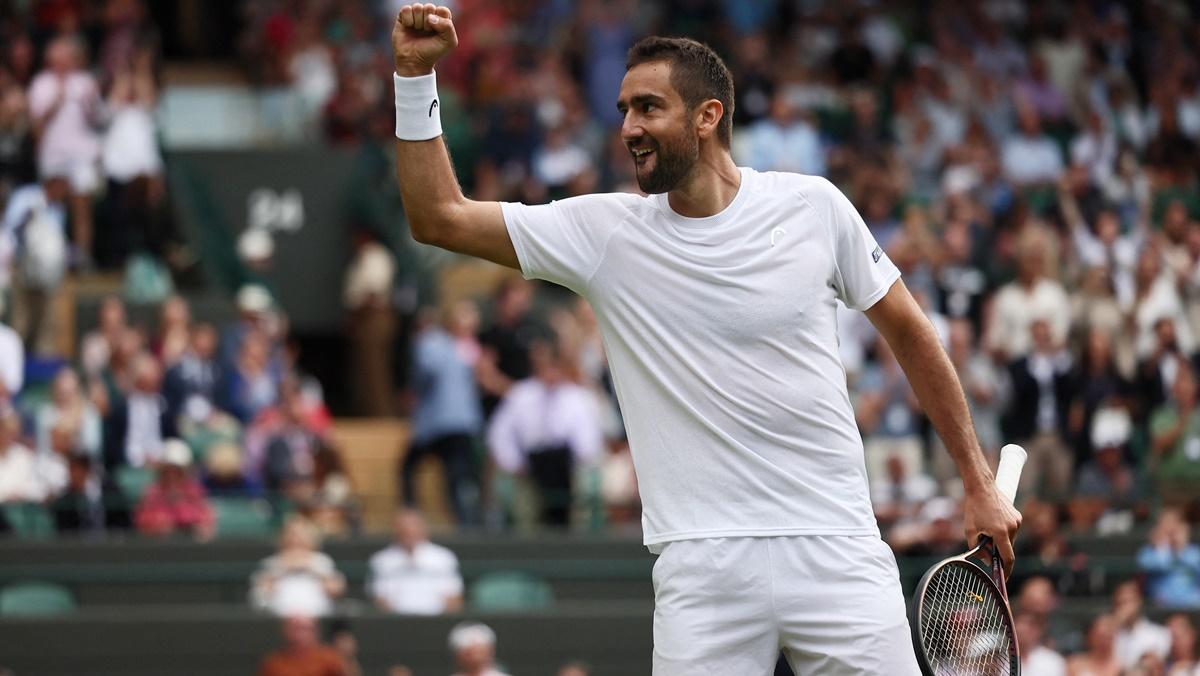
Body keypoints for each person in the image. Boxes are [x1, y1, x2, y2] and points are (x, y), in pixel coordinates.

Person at [389, 10, 1020, 673]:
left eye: (648, 107)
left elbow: (912, 336)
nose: (628, 126)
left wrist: (976, 483)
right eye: (624, 109)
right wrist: (413, 75)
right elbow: (439, 217)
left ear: (707, 115)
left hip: (838, 547)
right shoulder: (604, 234)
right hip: (703, 568)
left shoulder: (814, 207)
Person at [487, 339, 604, 527]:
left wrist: (581, 460)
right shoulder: (520, 395)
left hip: (566, 466)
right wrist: (514, 463)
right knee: (524, 502)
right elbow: (500, 434)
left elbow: (588, 439)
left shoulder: (578, 398)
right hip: (530, 466)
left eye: (554, 367)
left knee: (581, 487)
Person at [366, 508, 463, 614]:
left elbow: (454, 599)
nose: (409, 531)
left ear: (423, 528)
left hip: (436, 621)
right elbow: (380, 600)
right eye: (404, 529)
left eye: (414, 526)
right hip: (396, 624)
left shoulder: (444, 556)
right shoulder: (381, 560)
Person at [251, 516, 346, 617]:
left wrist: (312, 568)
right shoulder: (271, 562)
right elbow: (259, 596)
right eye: (291, 536)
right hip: (279, 618)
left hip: (317, 617)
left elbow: (336, 590)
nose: (295, 540)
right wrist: (282, 569)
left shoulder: (322, 561)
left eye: (300, 536)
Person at [133, 439, 215, 540]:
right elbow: (143, 522)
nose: (172, 475)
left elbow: (205, 522)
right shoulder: (152, 492)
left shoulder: (194, 491)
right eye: (168, 471)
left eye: (177, 471)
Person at [257, 615, 348, 676]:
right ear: (285, 631)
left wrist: (347, 658)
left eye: (305, 629)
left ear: (315, 631)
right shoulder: (272, 663)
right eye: (295, 628)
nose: (299, 635)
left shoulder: (330, 658)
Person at [1113, 580, 1173, 670]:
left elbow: (1157, 667)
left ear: (1139, 602)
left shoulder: (1159, 633)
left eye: (1129, 602)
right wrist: (1116, 621)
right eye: (1121, 603)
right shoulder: (1111, 635)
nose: (1125, 608)